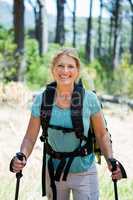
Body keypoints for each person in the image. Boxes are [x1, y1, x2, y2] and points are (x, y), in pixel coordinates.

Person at [10, 48, 123, 200]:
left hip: (84, 172)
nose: (65, 71)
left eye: (70, 66)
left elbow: (102, 134)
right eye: (60, 66)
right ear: (53, 70)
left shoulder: (89, 99)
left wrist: (111, 159)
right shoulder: (42, 101)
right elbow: (30, 137)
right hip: (54, 172)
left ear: (77, 71)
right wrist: (22, 155)